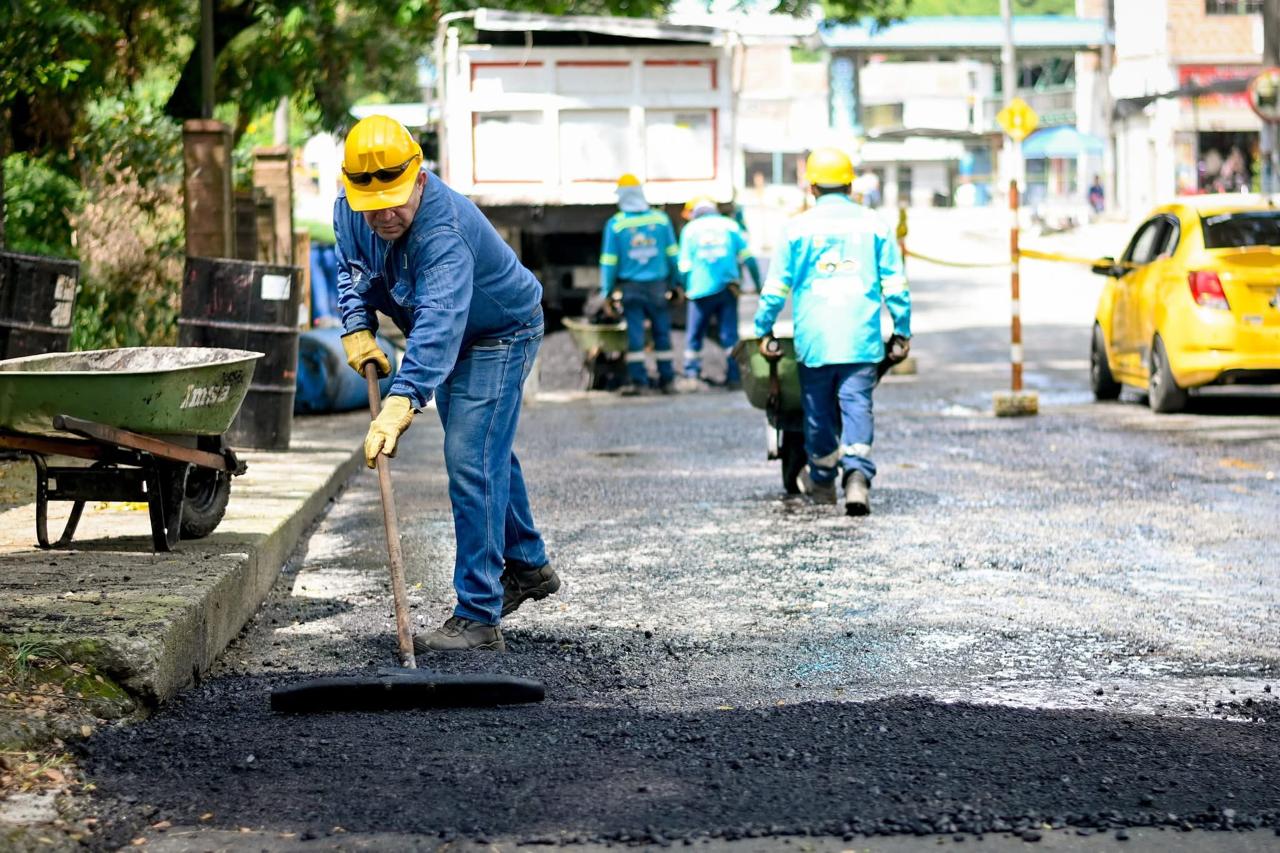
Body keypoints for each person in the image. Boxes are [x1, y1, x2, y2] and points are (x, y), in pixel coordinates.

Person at [334, 114, 559, 652]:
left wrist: (404, 398)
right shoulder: (352, 207)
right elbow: (351, 269)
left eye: (396, 198)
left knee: (470, 457)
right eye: (372, 205)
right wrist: (357, 326)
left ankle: (478, 616)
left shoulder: (442, 229)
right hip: (452, 328)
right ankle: (527, 564)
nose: (385, 214)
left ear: (418, 176)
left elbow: (438, 323)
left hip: (500, 331)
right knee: (484, 451)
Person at [753, 147, 911, 517]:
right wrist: (902, 330)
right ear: (850, 184)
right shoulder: (875, 225)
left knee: (818, 411)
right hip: (861, 338)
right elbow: (896, 285)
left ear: (811, 187)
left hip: (817, 340)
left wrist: (764, 329)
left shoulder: (796, 228)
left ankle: (822, 479)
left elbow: (776, 287)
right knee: (857, 406)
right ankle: (857, 476)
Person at [599, 173, 680, 395]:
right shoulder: (661, 221)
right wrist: (677, 283)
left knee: (635, 334)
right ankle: (668, 380)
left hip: (630, 288)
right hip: (658, 287)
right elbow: (673, 255)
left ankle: (640, 382)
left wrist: (606, 292)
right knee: (662, 332)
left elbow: (609, 262)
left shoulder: (616, 225)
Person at [676, 196, 760, 390]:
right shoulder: (730, 226)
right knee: (729, 335)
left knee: (695, 335)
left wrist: (681, 286)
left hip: (699, 290)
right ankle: (734, 376)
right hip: (727, 289)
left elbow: (684, 266)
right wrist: (758, 284)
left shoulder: (690, 230)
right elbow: (748, 258)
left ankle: (692, 374)